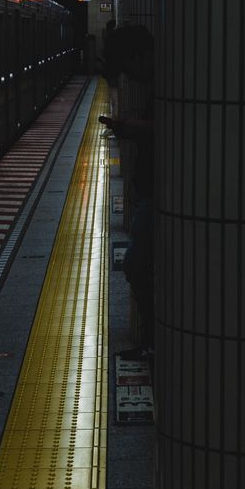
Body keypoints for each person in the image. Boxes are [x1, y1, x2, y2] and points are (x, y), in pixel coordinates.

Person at [98, 23, 155, 356]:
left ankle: (151, 341)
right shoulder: (157, 83)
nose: (130, 79)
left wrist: (133, 128)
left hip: (156, 197)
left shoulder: (166, 81)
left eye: (129, 69)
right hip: (150, 194)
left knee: (135, 263)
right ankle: (151, 340)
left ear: (139, 56)